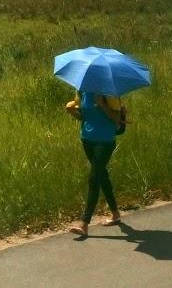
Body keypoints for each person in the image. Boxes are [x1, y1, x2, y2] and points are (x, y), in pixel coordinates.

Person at [65, 91, 123, 237]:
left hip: (105, 140)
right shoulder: (82, 90)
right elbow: (84, 116)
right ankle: (115, 214)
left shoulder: (109, 92)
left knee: (94, 178)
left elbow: (117, 119)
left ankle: (84, 224)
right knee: (101, 175)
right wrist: (73, 112)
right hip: (87, 139)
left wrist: (103, 104)